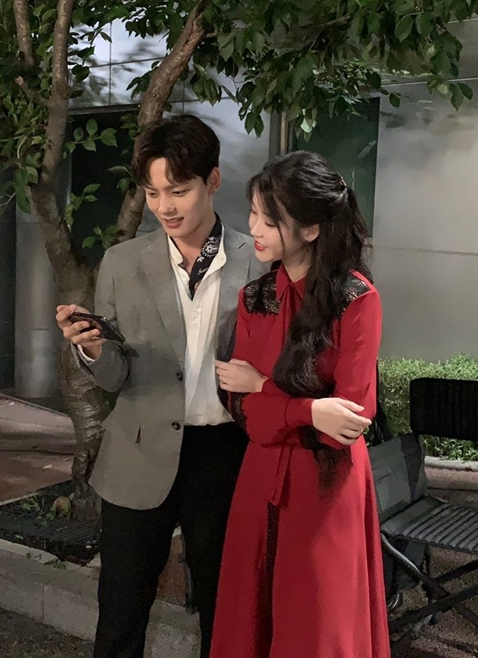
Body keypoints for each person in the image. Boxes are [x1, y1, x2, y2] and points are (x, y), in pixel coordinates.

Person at [55, 116, 375, 658]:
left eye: (178, 191)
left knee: (227, 615)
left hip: (228, 455)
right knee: (120, 615)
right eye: (152, 193)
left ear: (213, 181)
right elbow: (116, 377)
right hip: (138, 452)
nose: (165, 207)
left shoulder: (262, 260)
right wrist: (91, 349)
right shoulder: (122, 263)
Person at [211, 151, 391, 658]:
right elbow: (243, 412)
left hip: (326, 486)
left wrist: (263, 388)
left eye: (270, 221)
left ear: (311, 229)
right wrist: (309, 410)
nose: (255, 229)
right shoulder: (254, 298)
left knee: (317, 624)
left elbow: (348, 422)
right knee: (249, 617)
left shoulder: (357, 300)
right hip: (260, 473)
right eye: (253, 214)